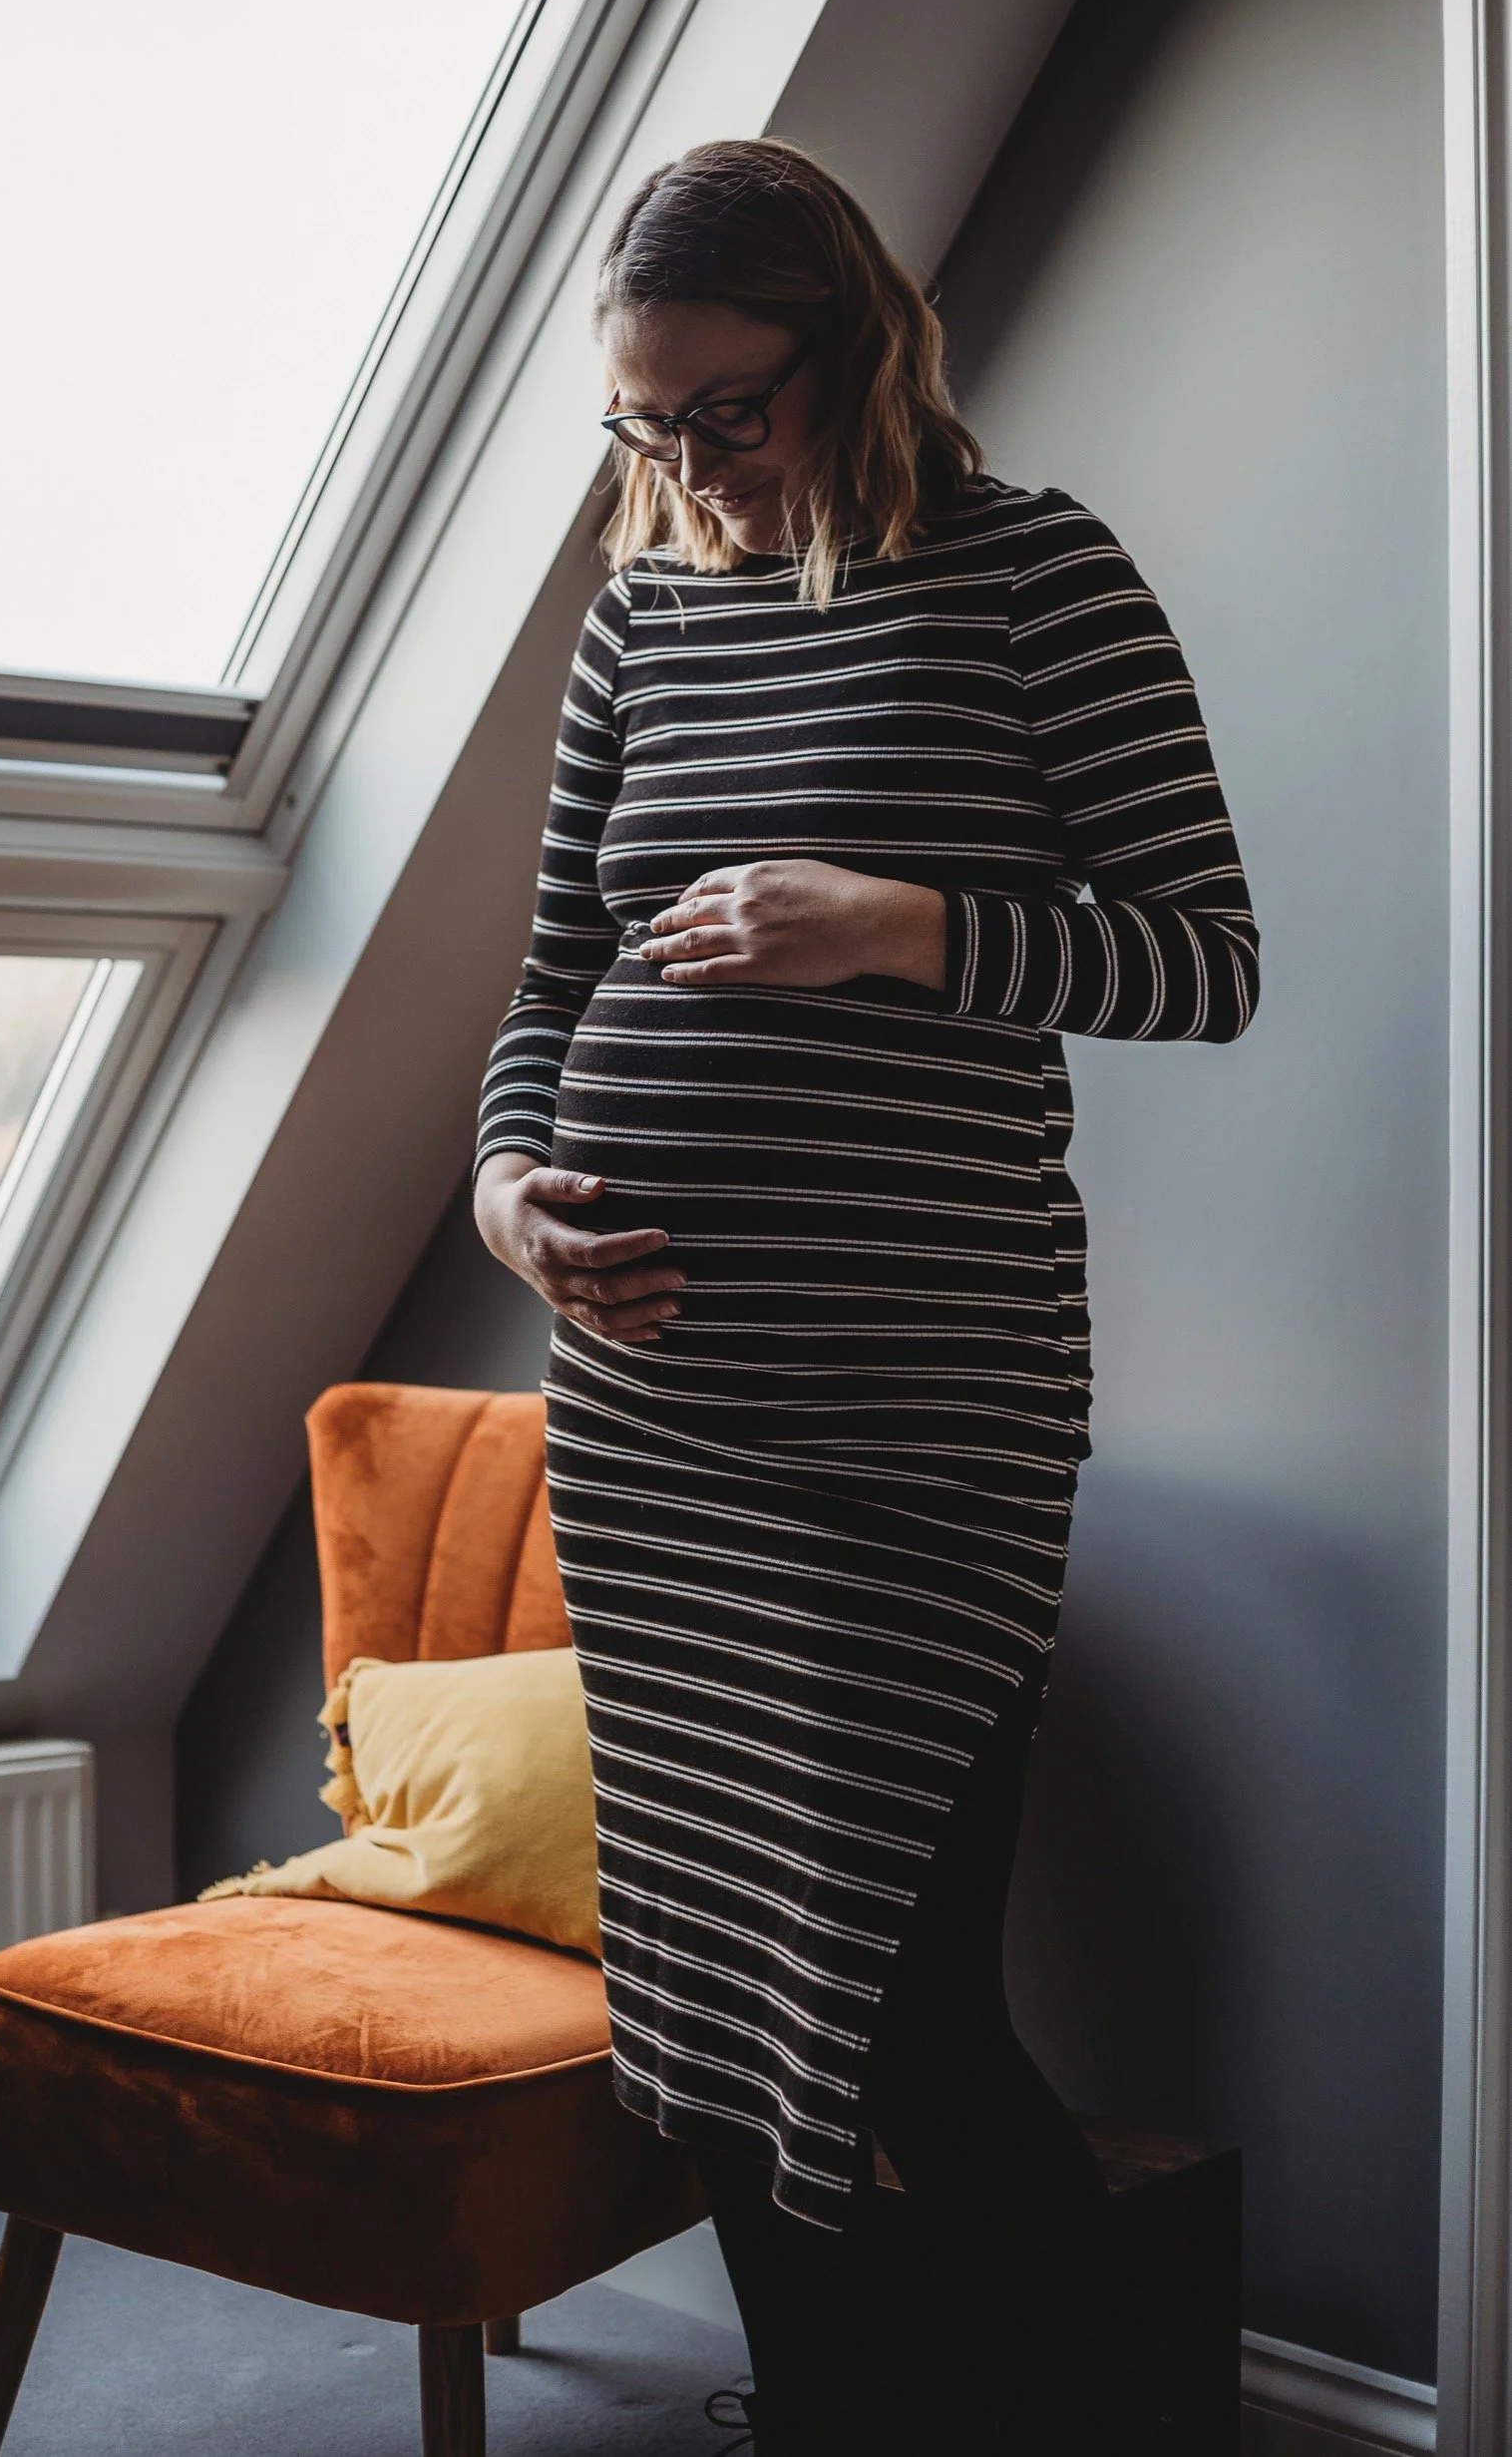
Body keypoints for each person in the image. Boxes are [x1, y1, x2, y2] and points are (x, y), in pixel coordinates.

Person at [474, 137, 1258, 2455]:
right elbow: (545, 978)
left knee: (903, 2010)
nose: (687, 466)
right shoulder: (642, 610)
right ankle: (827, 2407)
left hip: (919, 1422)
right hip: (652, 1424)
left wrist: (894, 920)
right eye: (640, 424)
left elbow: (1199, 960)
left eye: (728, 410)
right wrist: (510, 1188)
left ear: (854, 345)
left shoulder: (1031, 578)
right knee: (706, 1986)